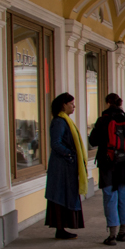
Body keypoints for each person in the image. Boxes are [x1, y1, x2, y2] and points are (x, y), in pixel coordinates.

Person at [88, 93, 125, 246]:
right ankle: (123, 233)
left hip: (107, 163)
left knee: (110, 197)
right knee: (124, 196)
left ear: (107, 103)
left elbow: (93, 141)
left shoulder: (103, 120)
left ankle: (111, 235)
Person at [45, 93, 86, 239]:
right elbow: (56, 143)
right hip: (61, 167)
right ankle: (60, 228)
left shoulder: (65, 121)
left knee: (65, 194)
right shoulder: (59, 122)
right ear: (64, 104)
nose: (74, 106)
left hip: (66, 165)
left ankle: (62, 228)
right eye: (71, 104)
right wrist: (70, 154)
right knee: (61, 196)